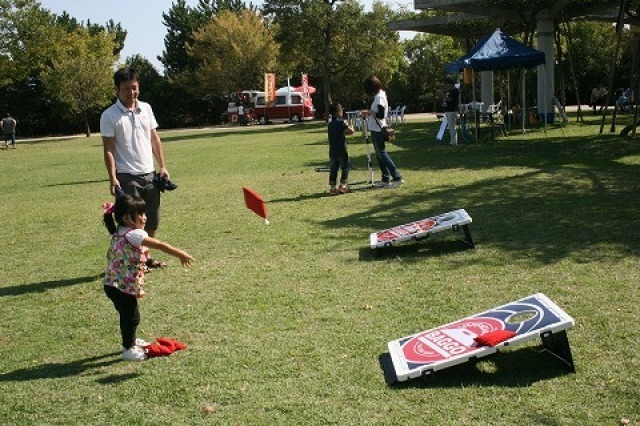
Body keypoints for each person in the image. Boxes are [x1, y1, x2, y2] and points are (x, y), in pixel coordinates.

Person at [103, 195, 194, 361]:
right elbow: (159, 245)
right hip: (120, 286)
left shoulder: (120, 231)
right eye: (140, 214)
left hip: (113, 284)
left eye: (144, 213)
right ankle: (128, 349)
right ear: (125, 218)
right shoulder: (134, 234)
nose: (144, 217)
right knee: (132, 317)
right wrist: (180, 253)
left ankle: (130, 341)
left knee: (127, 315)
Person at [101, 67, 170, 270]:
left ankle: (146, 258)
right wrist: (113, 177)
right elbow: (109, 149)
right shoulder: (109, 115)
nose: (131, 93)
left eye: (134, 88)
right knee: (132, 225)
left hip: (149, 174)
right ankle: (133, 262)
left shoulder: (146, 109)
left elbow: (154, 139)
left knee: (152, 222)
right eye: (126, 89)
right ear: (117, 89)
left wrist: (163, 166)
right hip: (126, 176)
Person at [362, 75, 403, 187]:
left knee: (382, 154)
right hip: (376, 128)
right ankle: (385, 178)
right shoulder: (380, 94)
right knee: (380, 155)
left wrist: (369, 113)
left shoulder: (379, 97)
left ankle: (397, 177)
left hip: (378, 129)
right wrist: (369, 112)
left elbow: (380, 114)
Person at [327, 103, 355, 195]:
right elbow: (350, 131)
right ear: (339, 112)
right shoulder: (341, 122)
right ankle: (343, 186)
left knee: (333, 168)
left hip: (332, 150)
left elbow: (337, 132)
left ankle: (332, 188)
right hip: (341, 149)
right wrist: (351, 127)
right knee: (345, 167)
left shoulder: (330, 123)